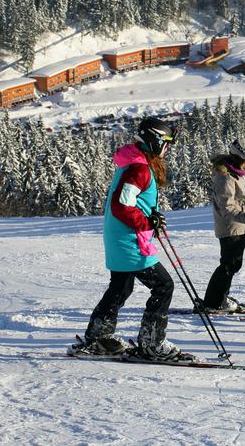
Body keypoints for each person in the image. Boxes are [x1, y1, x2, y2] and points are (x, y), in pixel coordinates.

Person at [73, 117, 181, 359]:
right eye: (166, 143)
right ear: (155, 141)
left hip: (120, 236)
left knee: (121, 287)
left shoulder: (135, 162)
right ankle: (152, 344)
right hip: (129, 240)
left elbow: (132, 201)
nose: (168, 149)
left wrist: (150, 216)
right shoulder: (140, 169)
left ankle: (98, 338)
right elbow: (122, 205)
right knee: (164, 286)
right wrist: (146, 222)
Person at [201, 138, 245, 313]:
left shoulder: (234, 175)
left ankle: (220, 297)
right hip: (230, 228)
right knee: (228, 265)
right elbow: (228, 208)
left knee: (232, 264)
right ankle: (213, 301)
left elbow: (239, 202)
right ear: (238, 158)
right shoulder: (225, 178)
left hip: (237, 226)